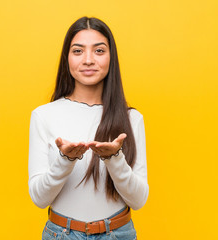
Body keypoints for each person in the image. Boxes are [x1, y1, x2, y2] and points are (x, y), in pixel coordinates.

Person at [28, 16, 149, 240]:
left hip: (118, 234)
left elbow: (138, 200)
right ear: (67, 58)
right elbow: (39, 198)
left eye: (99, 51)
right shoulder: (43, 115)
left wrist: (115, 159)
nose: (88, 60)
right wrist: (65, 160)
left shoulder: (132, 119)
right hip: (61, 234)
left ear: (111, 58)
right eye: (78, 51)